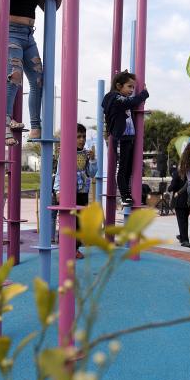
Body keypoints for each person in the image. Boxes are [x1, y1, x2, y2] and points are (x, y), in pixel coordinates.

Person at [0, 0, 63, 142]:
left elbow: (49, 9)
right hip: (9, 34)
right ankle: (4, 121)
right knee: (15, 76)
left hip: (28, 37)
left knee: (39, 78)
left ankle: (35, 126)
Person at [102, 70, 149, 207]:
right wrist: (144, 94)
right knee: (122, 167)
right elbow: (131, 102)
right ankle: (124, 195)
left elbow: (132, 102)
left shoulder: (123, 100)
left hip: (129, 138)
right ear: (118, 86)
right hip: (120, 138)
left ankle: (127, 194)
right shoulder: (113, 97)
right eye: (129, 86)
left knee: (128, 167)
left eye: (133, 87)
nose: (132, 90)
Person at [54, 124, 96, 259]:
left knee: (80, 222)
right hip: (68, 193)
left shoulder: (87, 154)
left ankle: (75, 248)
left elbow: (91, 173)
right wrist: (58, 190)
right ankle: (65, 248)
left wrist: (93, 160)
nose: (82, 140)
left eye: (83, 137)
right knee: (67, 220)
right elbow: (59, 173)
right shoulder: (66, 153)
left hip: (83, 192)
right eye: (78, 137)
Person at [168, 163, 190, 248]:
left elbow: (172, 187)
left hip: (179, 200)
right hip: (188, 200)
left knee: (181, 221)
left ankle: (184, 240)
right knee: (185, 220)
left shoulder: (177, 174)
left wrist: (169, 188)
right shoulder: (189, 174)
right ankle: (182, 236)